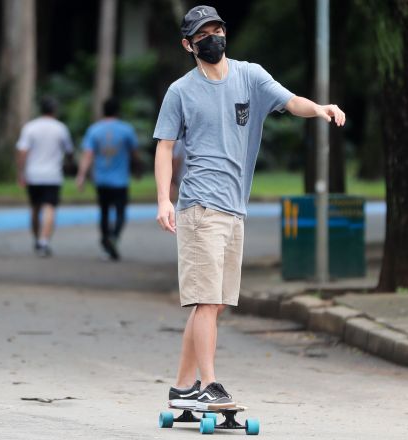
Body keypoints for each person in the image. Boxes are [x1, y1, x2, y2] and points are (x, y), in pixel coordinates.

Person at [153, 6, 345, 410]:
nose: (213, 38)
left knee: (216, 301)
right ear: (188, 44)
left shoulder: (250, 76)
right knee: (206, 300)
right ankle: (209, 383)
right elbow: (165, 145)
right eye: (202, 34)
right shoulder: (181, 91)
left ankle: (183, 386)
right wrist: (163, 198)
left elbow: (291, 101)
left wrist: (321, 109)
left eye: (217, 29)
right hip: (200, 206)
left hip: (234, 207)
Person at [76, 98, 140, 261]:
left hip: (102, 180)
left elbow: (88, 154)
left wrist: (81, 175)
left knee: (104, 212)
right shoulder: (126, 130)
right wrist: (137, 169)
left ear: (103, 111)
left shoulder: (94, 130)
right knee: (120, 212)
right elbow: (134, 153)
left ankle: (106, 241)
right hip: (120, 181)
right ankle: (114, 237)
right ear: (118, 111)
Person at [16, 97, 74, 257]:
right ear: (54, 110)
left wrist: (20, 172)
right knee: (49, 208)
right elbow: (69, 151)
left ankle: (36, 238)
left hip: (33, 174)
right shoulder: (60, 128)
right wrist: (70, 164)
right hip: (52, 175)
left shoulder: (30, 127)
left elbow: (22, 151)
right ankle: (44, 241)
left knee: (35, 208)